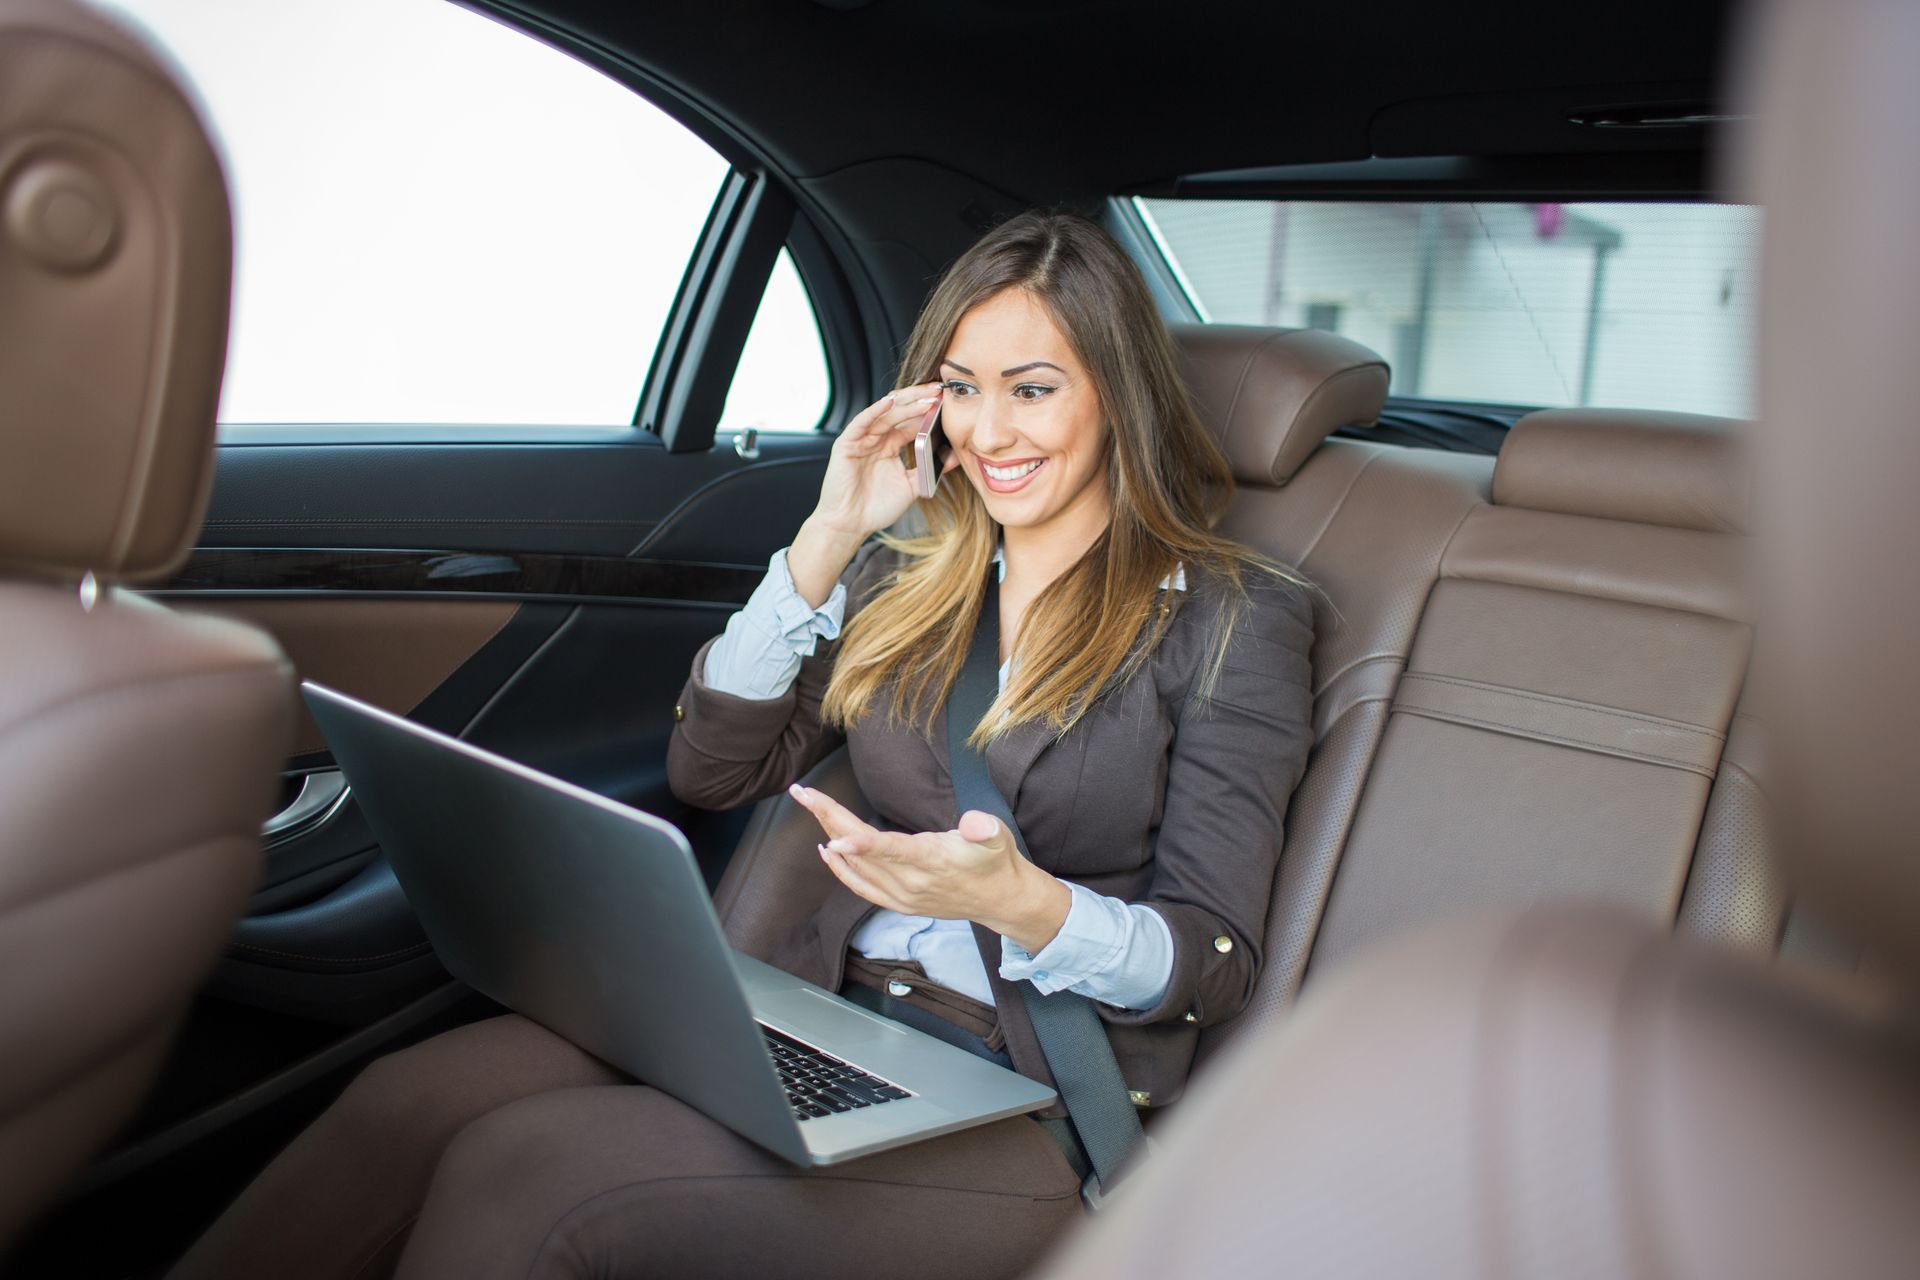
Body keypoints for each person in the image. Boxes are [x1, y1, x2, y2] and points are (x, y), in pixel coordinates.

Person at [167, 211, 1315, 1280]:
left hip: (1032, 1100)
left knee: (537, 1172)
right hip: (822, 1008)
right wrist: (829, 533)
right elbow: (711, 771)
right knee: (405, 1097)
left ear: (1114, 395)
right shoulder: (910, 577)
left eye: (1033, 388)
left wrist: (1028, 905)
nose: (988, 430)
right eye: (962, 388)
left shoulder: (1231, 617)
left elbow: (1213, 960)